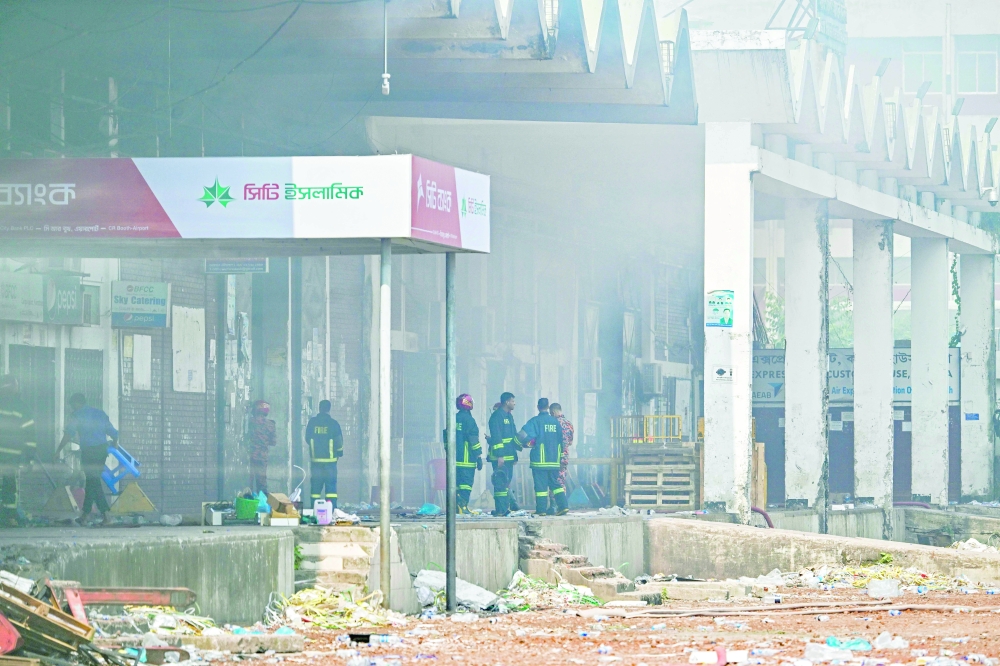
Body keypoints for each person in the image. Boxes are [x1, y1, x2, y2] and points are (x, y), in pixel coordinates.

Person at [57, 393, 117, 526]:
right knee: (91, 481)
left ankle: (106, 515)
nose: (72, 408)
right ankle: (84, 515)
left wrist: (58, 450)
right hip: (101, 451)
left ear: (77, 404)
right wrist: (115, 443)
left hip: (89, 452)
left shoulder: (77, 415)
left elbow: (68, 434)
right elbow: (114, 432)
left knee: (94, 481)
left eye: (72, 405)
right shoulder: (100, 413)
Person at [517, 399, 567, 516]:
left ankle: (541, 510)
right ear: (548, 407)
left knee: (541, 487)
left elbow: (523, 435)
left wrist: (515, 443)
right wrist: (560, 459)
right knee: (555, 485)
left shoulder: (535, 421)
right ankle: (563, 506)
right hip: (554, 461)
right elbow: (561, 442)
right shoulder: (556, 423)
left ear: (538, 407)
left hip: (540, 461)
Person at [0, 376, 36, 525]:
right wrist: (30, 458)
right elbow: (29, 434)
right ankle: (8, 517)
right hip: (11, 455)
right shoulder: (21, 407)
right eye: (16, 385)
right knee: (9, 486)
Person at [486, 392, 521, 516]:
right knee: (500, 483)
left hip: (510, 457)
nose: (514, 403)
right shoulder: (496, 417)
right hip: (500, 458)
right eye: (513, 401)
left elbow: (512, 437)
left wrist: (515, 454)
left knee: (506, 483)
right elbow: (497, 438)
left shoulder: (509, 416)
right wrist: (500, 456)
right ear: (507, 402)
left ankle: (505, 508)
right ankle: (501, 510)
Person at [305, 400, 343, 509]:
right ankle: (331, 511)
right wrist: (339, 453)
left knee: (315, 489)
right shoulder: (333, 423)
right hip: (330, 463)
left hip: (316, 461)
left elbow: (307, 438)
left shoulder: (312, 423)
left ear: (319, 408)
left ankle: (314, 511)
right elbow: (339, 441)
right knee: (331, 489)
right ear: (329, 409)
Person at [454, 393, 482, 513]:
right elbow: (473, 439)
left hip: (454, 458)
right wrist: (478, 455)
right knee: (466, 484)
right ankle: (463, 507)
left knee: (456, 484)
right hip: (467, 458)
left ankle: (456, 507)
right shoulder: (469, 420)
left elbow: (446, 436)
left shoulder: (453, 418)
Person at [246, 400, 276, 494]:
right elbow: (273, 442)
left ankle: (248, 502)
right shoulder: (270, 424)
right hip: (262, 457)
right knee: (262, 482)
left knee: (248, 482)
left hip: (249, 456)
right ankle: (262, 503)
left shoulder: (250, 422)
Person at [549, 403, 575, 493]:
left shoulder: (552, 424)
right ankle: (562, 503)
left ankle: (554, 504)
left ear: (553, 412)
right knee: (561, 480)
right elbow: (570, 442)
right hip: (564, 457)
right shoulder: (569, 424)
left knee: (553, 481)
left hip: (553, 456)